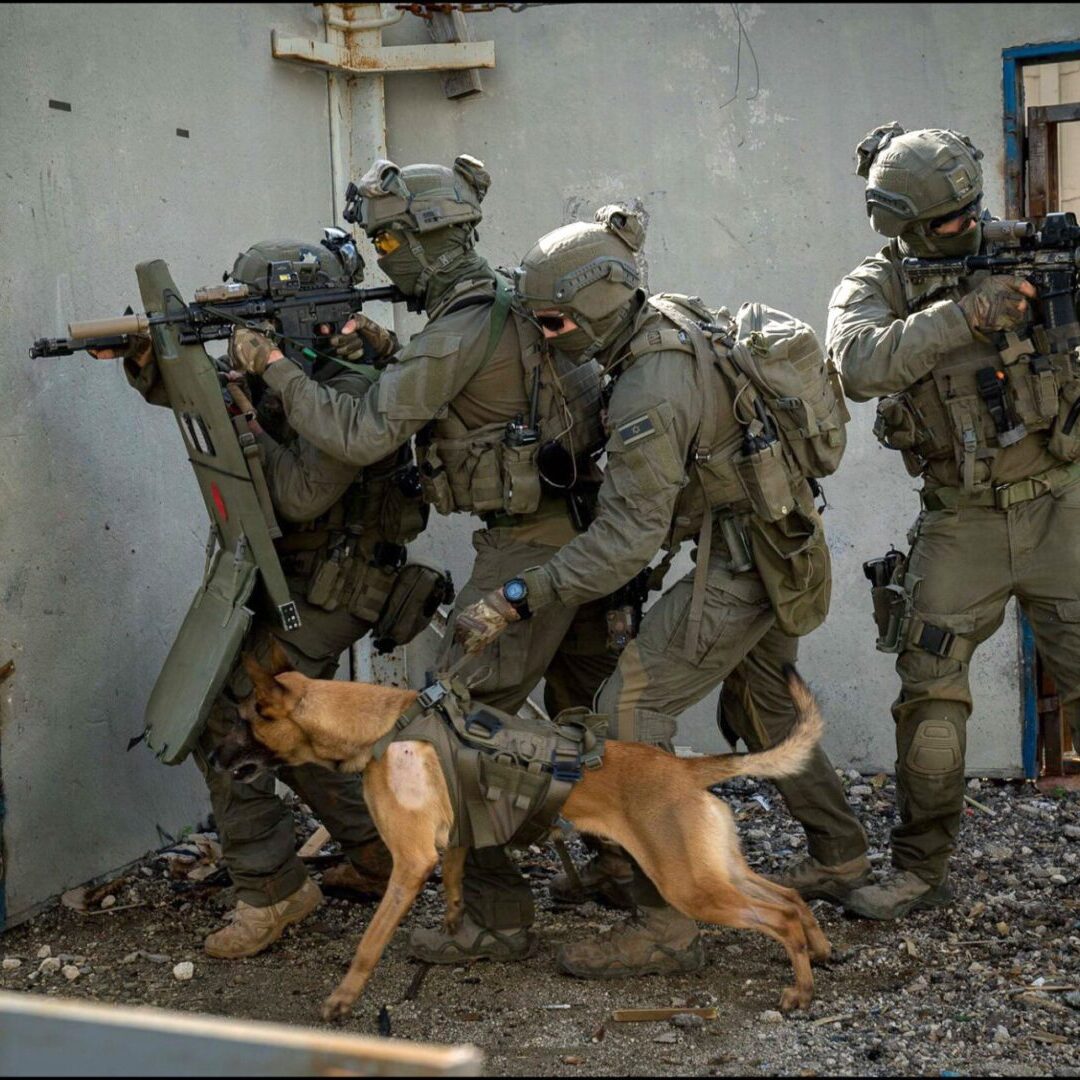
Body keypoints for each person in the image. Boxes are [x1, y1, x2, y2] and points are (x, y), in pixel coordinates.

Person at [453, 206, 869, 977]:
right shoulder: (668, 314)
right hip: (779, 541)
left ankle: (663, 928)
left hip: (742, 567)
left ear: (594, 311)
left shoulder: (648, 388)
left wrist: (518, 595)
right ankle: (842, 858)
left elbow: (626, 541)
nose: (547, 338)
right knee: (765, 706)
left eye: (553, 324)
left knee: (627, 718)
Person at [228, 157, 618, 963]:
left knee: (453, 727)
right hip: (583, 531)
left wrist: (270, 367)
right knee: (591, 715)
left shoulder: (462, 321)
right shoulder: (499, 297)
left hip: (531, 541)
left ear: (432, 237)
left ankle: (499, 917)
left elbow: (363, 431)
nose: (382, 256)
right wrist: (381, 344)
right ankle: (633, 877)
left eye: (391, 238)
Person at [95, 235, 427, 957]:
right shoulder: (300, 364)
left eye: (267, 317)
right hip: (283, 576)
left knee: (232, 718)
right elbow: (216, 404)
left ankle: (274, 891)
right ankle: (375, 854)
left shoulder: (350, 385)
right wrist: (155, 365)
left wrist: (258, 382)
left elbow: (302, 492)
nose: (257, 334)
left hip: (335, 582)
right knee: (289, 727)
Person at [827, 123, 1078, 920]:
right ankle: (919, 869)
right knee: (930, 707)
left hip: (1063, 503)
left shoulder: (1025, 252)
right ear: (901, 226)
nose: (966, 228)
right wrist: (966, 316)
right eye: (944, 223)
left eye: (970, 210)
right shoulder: (878, 283)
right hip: (961, 523)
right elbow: (860, 365)